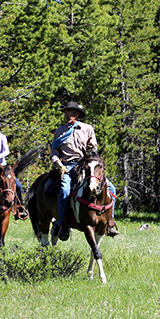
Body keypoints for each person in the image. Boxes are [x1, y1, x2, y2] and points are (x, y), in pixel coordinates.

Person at [50, 101, 117, 241]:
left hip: (86, 164)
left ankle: (109, 223)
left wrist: (92, 148)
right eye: (66, 112)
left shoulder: (87, 129)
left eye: (70, 113)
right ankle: (62, 226)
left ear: (76, 115)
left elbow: (95, 150)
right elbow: (54, 152)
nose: (67, 115)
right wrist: (59, 165)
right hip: (68, 166)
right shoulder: (59, 131)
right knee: (65, 191)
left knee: (112, 188)